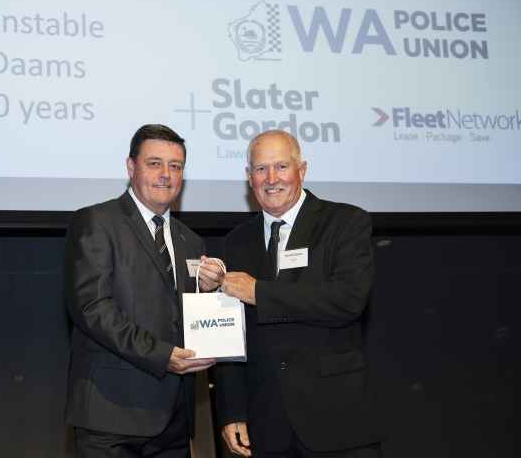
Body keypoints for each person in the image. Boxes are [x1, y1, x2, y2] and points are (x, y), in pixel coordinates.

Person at [216, 130, 384, 457]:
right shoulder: (237, 241)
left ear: (302, 170)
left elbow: (347, 300)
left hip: (336, 418)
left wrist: (260, 292)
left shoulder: (345, 223)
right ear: (249, 177)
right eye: (261, 169)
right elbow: (231, 335)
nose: (271, 179)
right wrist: (232, 409)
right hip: (266, 425)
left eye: (281, 166)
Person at [64, 124, 225, 457]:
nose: (166, 174)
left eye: (175, 166)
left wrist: (211, 292)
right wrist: (161, 355)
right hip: (111, 415)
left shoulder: (191, 241)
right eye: (154, 163)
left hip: (175, 418)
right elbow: (93, 309)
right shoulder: (97, 221)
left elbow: (186, 317)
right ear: (130, 167)